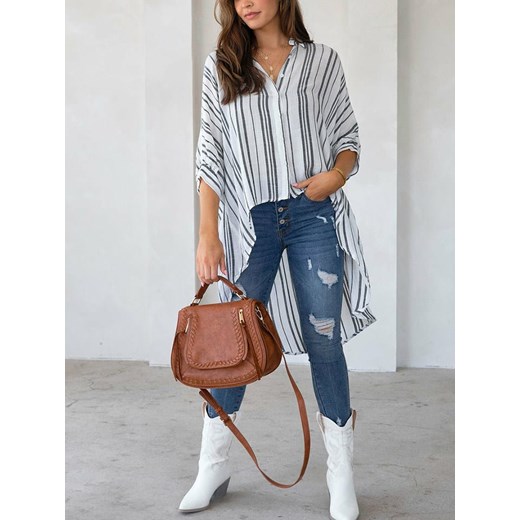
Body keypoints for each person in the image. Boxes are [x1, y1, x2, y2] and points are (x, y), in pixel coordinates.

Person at [178, 1, 376, 519]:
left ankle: (340, 474)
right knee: (231, 341)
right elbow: (210, 153)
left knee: (324, 339)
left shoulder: (321, 60)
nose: (245, 2)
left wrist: (335, 177)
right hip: (251, 222)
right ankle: (213, 465)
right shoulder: (221, 65)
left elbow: (348, 139)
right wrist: (207, 234)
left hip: (313, 214)